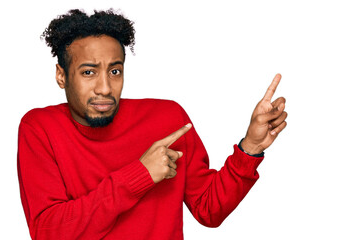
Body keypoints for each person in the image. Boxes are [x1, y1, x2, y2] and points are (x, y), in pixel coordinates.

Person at [17, 9, 287, 240]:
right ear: (61, 76)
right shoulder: (40, 127)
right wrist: (140, 175)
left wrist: (250, 148)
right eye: (89, 72)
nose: (105, 87)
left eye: (115, 71)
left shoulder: (167, 119)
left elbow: (209, 210)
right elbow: (49, 231)